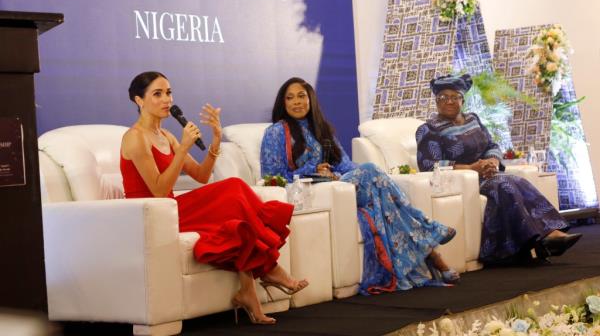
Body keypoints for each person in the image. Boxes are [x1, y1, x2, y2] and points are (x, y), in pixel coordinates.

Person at [120, 71, 308, 325]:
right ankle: (270, 270)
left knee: (235, 195)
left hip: (170, 208)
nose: (167, 100)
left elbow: (201, 175)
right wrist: (184, 147)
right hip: (151, 215)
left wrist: (216, 140)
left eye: (168, 93)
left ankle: (248, 292)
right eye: (157, 94)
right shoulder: (134, 138)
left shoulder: (167, 136)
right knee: (233, 191)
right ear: (138, 100)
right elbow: (156, 188)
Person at [260, 77, 459, 295]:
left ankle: (431, 251)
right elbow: (272, 176)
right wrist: (311, 171)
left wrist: (334, 174)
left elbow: (346, 165)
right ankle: (430, 240)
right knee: (371, 170)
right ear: (283, 102)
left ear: (311, 99)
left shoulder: (322, 129)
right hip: (312, 191)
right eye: (290, 98)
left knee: (374, 182)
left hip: (339, 186)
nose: (296, 102)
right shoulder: (277, 132)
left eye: (301, 96)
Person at [416, 74, 582, 265]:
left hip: (488, 173)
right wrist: (471, 168)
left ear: (463, 99)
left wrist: (492, 162)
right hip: (461, 181)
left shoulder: (473, 119)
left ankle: (548, 235)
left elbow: (492, 145)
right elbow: (429, 164)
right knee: (504, 185)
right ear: (436, 101)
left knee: (518, 181)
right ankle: (540, 240)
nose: (449, 102)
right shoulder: (428, 130)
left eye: (455, 97)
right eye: (443, 98)